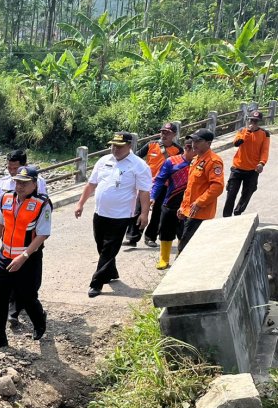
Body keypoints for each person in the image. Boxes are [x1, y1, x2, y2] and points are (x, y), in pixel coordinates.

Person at [74, 132, 150, 298]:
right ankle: (111, 271)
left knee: (109, 249)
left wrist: (144, 214)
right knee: (101, 245)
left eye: (119, 146)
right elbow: (91, 184)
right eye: (113, 145)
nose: (115, 149)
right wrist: (80, 203)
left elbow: (144, 192)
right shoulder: (104, 161)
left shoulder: (139, 165)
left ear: (130, 146)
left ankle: (97, 283)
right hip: (100, 212)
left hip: (121, 215)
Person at [0, 166, 51, 352]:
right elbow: (2, 224)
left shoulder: (42, 204)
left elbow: (42, 234)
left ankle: (39, 321)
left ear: (34, 184)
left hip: (28, 259)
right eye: (17, 182)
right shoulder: (7, 198)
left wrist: (24, 256)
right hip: (4, 256)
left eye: (24, 183)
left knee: (27, 296)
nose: (19, 186)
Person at [125, 123, 183, 246]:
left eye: (167, 133)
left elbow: (181, 167)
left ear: (174, 134)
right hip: (146, 183)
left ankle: (150, 237)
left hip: (165, 185)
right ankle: (132, 238)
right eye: (162, 132)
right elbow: (137, 157)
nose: (164, 135)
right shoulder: (151, 144)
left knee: (158, 212)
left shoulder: (178, 150)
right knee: (138, 210)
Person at [178, 128, 225, 252]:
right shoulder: (196, 159)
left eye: (198, 141)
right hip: (190, 211)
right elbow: (191, 187)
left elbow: (217, 187)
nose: (194, 144)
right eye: (193, 141)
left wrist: (199, 202)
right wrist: (183, 207)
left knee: (187, 248)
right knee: (185, 244)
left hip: (201, 213)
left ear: (208, 143)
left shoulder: (213, 161)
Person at [151, 136, 194, 270]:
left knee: (184, 233)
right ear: (187, 148)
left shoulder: (199, 163)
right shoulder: (171, 161)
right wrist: (153, 196)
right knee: (166, 231)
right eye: (195, 149)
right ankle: (164, 259)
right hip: (170, 203)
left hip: (188, 205)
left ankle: (181, 257)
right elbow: (159, 180)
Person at [223, 110, 270, 217]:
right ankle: (226, 216)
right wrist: (248, 132)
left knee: (247, 193)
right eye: (252, 120)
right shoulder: (242, 131)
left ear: (259, 122)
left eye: (256, 121)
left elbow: (265, 150)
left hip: (253, 170)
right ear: (248, 120)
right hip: (237, 168)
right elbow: (236, 143)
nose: (253, 123)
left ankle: (238, 212)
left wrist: (262, 163)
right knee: (231, 193)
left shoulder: (264, 134)